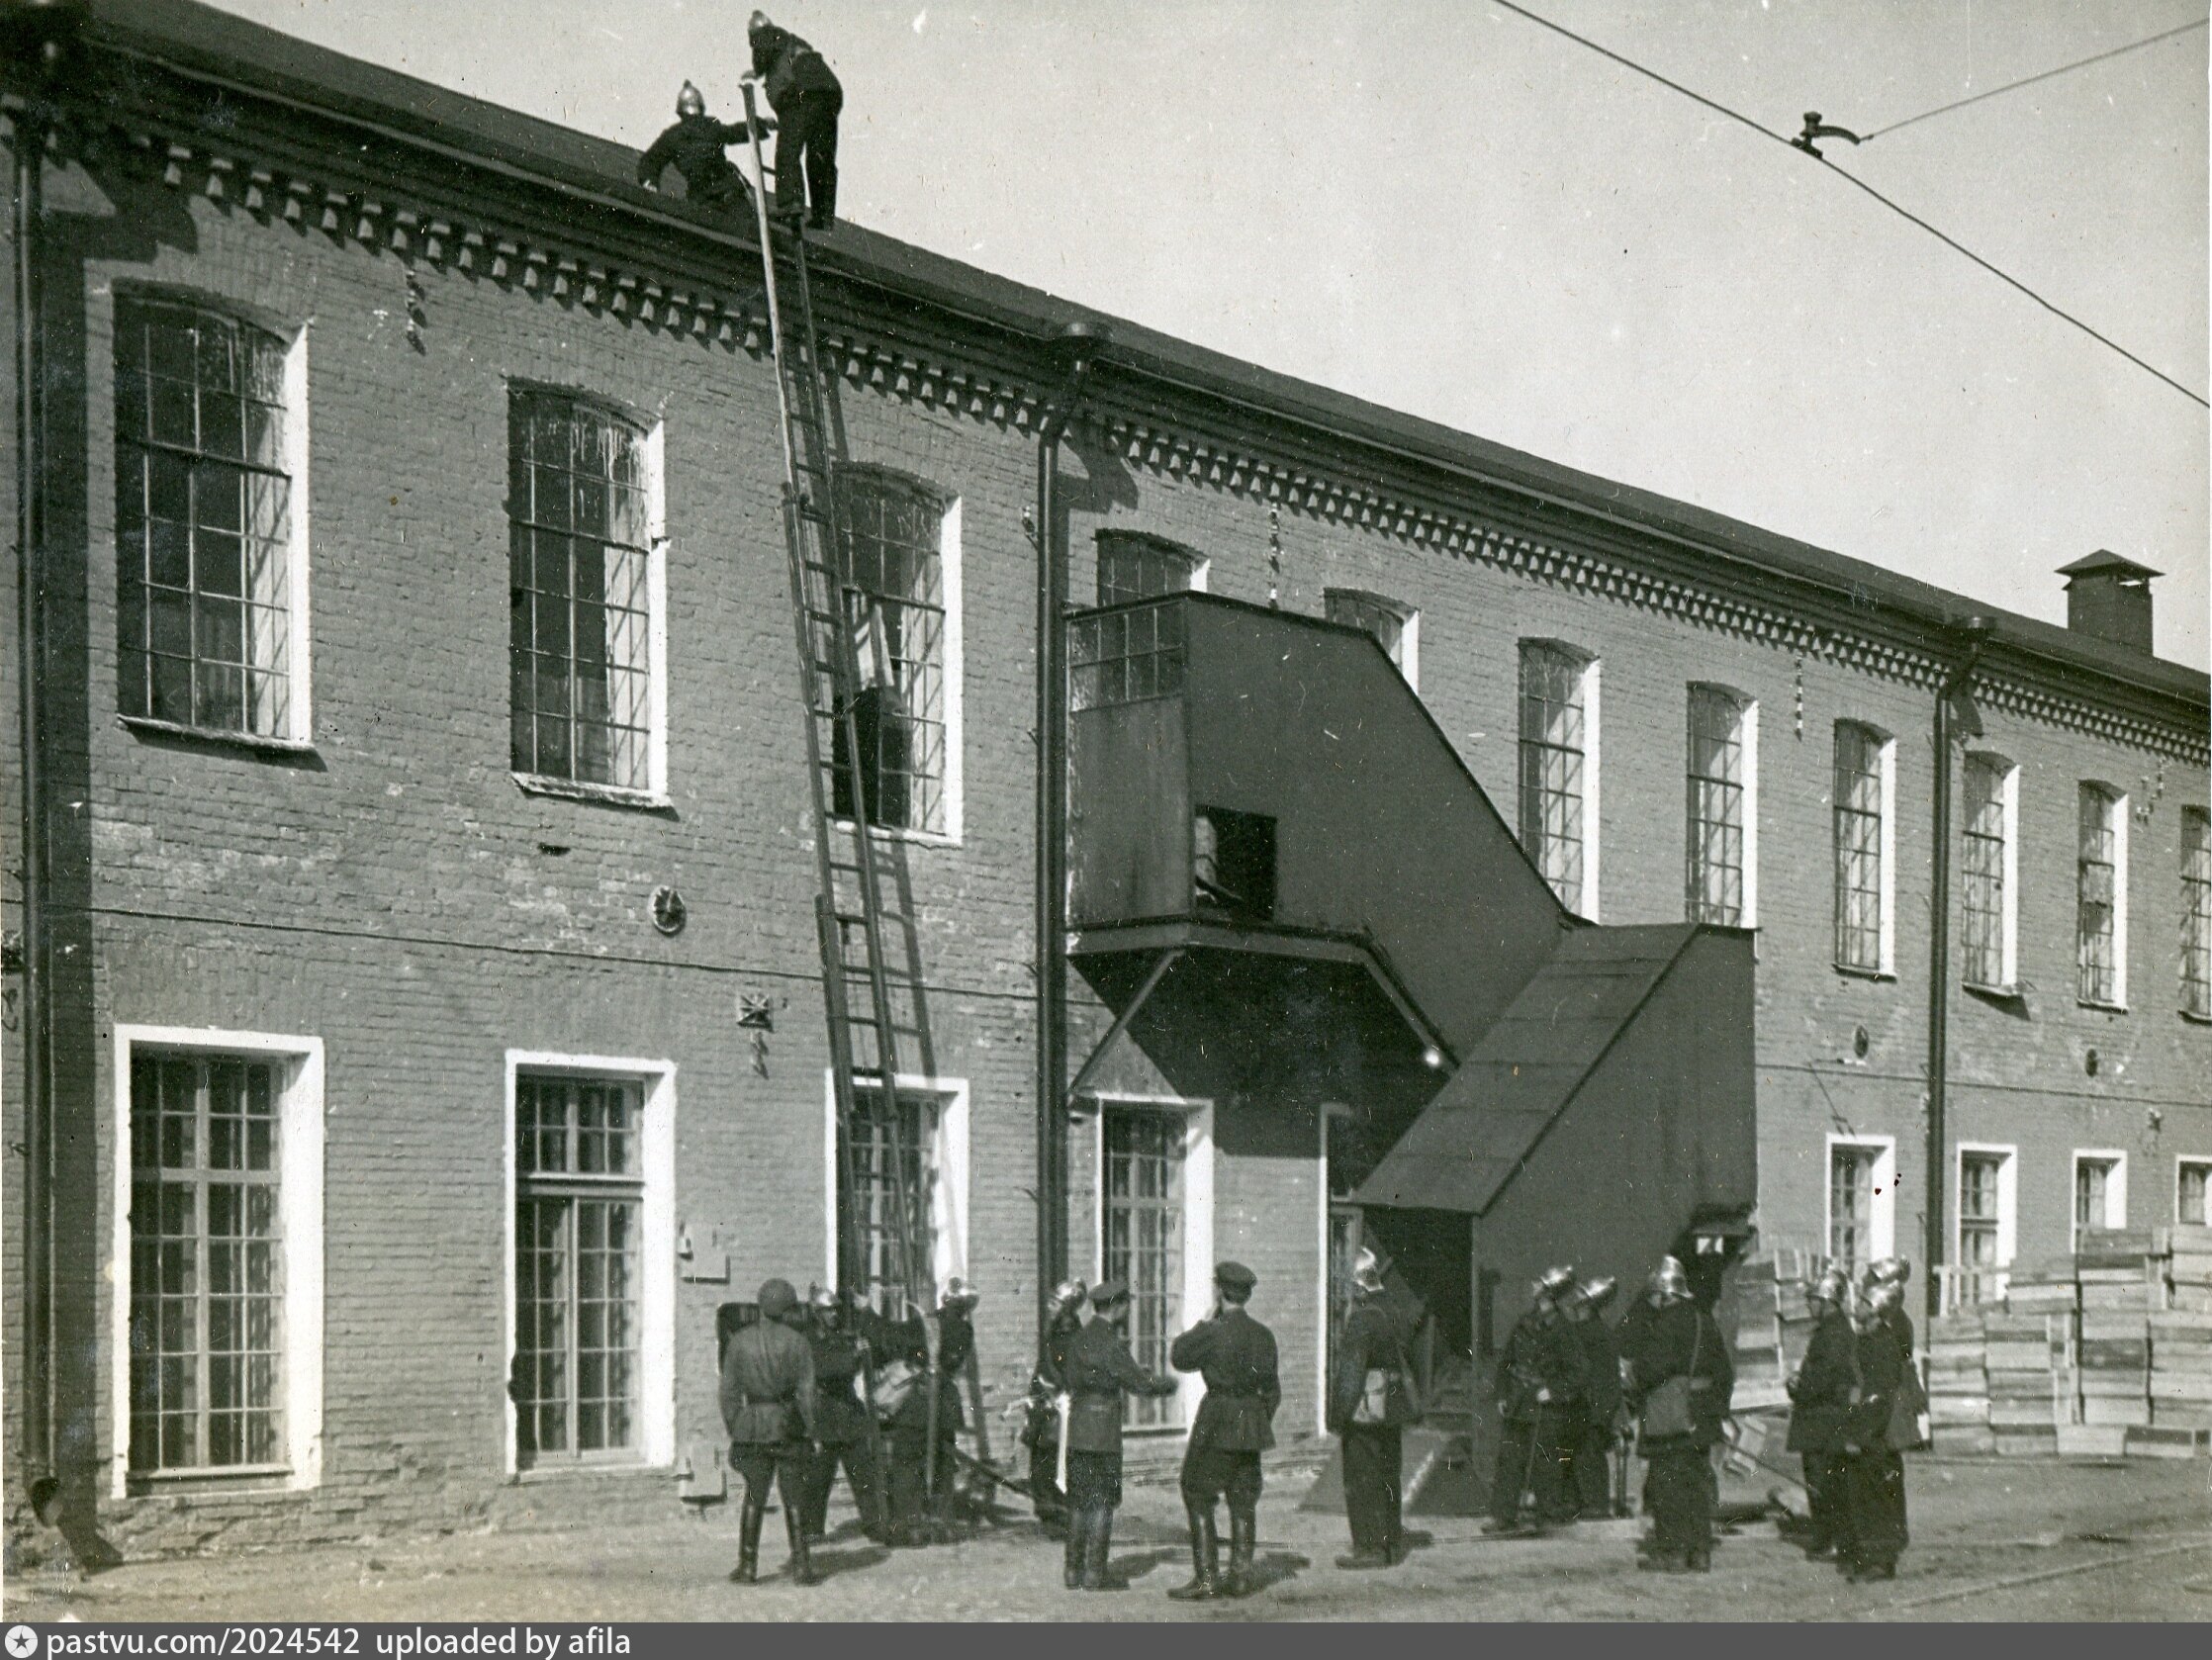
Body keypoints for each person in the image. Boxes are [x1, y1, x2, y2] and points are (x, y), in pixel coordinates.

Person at [1166, 1260, 1281, 1601]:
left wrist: (1204, 1322)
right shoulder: (1264, 1335)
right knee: (1243, 1499)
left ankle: (1207, 1578)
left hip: (1217, 1420)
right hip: (1251, 1423)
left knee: (1196, 1491)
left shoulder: (1213, 1332)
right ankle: (1241, 1577)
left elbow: (1179, 1356)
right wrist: (1257, 1418)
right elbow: (1273, 1391)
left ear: (1219, 1291)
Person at [1060, 1279, 1177, 1591]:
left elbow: (1069, 1378)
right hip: (1104, 1432)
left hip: (1078, 1427)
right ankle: (1095, 1574)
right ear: (1117, 1307)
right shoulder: (1112, 1344)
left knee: (1078, 1501)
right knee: (1102, 1501)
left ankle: (1072, 1571)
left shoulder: (1077, 1339)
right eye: (1126, 1306)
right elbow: (1140, 1385)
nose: (1128, 1311)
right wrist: (1170, 1384)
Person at [1625, 1256, 1733, 1573]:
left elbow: (1650, 1369)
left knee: (1667, 1485)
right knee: (1697, 1485)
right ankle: (1699, 1553)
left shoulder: (1666, 1322)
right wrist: (1715, 1409)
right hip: (1702, 1417)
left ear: (1663, 1294)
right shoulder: (1704, 1320)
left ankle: (1673, 1552)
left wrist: (1631, 1374)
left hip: (1670, 1418)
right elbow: (1724, 1373)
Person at [1327, 1248, 1423, 1569]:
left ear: (1359, 1285)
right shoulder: (1395, 1309)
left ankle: (1370, 1548)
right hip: (1392, 1408)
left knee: (1363, 1477)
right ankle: (1390, 1541)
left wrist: (1338, 1416)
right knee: (1388, 1474)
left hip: (1366, 1410)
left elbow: (1351, 1373)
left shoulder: (1363, 1317)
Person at [866, 1277, 979, 1546]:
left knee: (907, 1462)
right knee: (942, 1463)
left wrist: (866, 1312)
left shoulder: (929, 1325)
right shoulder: (965, 1330)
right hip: (946, 1404)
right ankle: (943, 1524)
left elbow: (888, 1337)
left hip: (919, 1403)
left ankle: (911, 1526)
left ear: (946, 1299)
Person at [721, 1277, 820, 1585]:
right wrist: (811, 1428)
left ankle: (747, 1566)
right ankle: (802, 1566)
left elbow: (728, 1394)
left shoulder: (739, 1341)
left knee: (754, 1496)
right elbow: (807, 1394)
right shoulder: (798, 1342)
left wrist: (737, 1425)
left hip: (752, 1427)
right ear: (788, 1309)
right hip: (788, 1426)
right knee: (794, 1497)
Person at [1486, 1265, 1585, 1535]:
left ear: (1549, 1293)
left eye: (1539, 1283)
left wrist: (1553, 1391)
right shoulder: (1525, 1322)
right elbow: (1507, 1361)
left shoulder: (1564, 1330)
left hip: (1545, 1407)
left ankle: (1547, 1516)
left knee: (1546, 1463)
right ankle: (1503, 1516)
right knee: (1509, 1460)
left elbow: (1579, 1372)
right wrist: (1502, 1394)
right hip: (1518, 1402)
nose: (1533, 1286)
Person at [798, 1285, 884, 1542]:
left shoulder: (843, 1337)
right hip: (823, 1414)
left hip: (848, 1413)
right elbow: (825, 1369)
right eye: (828, 1311)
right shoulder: (809, 1340)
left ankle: (874, 1523)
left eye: (836, 1310)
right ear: (817, 1313)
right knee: (818, 1478)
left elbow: (858, 1361)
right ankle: (811, 1529)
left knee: (863, 1474)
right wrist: (854, 1356)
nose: (834, 1315)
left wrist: (864, 1350)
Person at [1839, 1277, 1910, 1582]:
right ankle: (1869, 1557)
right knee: (1864, 1495)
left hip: (1876, 1435)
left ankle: (1881, 1561)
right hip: (1865, 1430)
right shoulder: (1866, 1340)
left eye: (1864, 1303)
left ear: (1877, 1309)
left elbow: (1878, 1396)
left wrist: (1861, 1435)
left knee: (1879, 1496)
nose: (1857, 1307)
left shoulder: (1883, 1344)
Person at [747, 10, 844, 230]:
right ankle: (823, 216)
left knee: (787, 152)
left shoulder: (768, 35)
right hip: (828, 93)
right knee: (820, 157)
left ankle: (790, 203)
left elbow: (764, 52)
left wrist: (756, 71)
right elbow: (801, 118)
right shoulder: (793, 44)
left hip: (801, 94)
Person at [1785, 1268, 1856, 1564]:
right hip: (1824, 1419)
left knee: (1823, 1484)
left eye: (1813, 1299)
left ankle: (1831, 1541)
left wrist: (1798, 1387)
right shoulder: (1832, 1330)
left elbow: (1823, 1379)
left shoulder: (1833, 1334)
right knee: (1825, 1483)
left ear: (1827, 1301)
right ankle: (1830, 1539)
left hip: (1823, 1420)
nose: (1809, 1305)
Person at [634, 81, 774, 218]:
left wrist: (649, 182)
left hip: (703, 196)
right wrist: (762, 124)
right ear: (700, 106)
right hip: (723, 192)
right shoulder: (709, 126)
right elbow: (735, 132)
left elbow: (650, 160)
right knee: (747, 226)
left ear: (681, 110)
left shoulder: (674, 135)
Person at [1020, 1278, 1088, 1538]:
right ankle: (1050, 1514)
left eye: (1054, 1303)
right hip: (1045, 1407)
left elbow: (1070, 1373)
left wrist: (1053, 1391)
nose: (1049, 1307)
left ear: (1067, 1308)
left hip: (1059, 1409)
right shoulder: (1057, 1331)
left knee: (1056, 1463)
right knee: (1043, 1460)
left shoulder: (1072, 1337)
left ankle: (1060, 1518)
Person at [1562, 1274, 1622, 1521]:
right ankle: (1582, 1503)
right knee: (1579, 1454)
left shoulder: (1590, 1334)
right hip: (1587, 1406)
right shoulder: (1593, 1332)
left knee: (1587, 1455)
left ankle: (1593, 1505)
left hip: (1590, 1407)